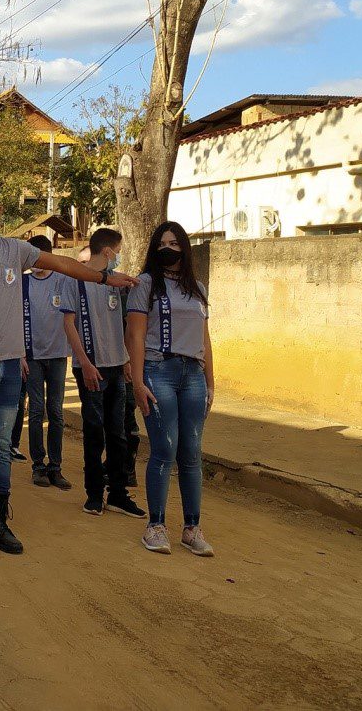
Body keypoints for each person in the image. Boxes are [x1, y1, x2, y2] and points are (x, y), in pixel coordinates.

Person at [0, 182, 137, 557]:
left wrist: (105, 278)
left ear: (0, 210)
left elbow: (64, 265)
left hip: (10, 366)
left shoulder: (16, 250)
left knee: (0, 447)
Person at [127, 221, 216, 557]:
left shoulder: (198, 289)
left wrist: (210, 381)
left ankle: (192, 529)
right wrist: (138, 383)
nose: (168, 248)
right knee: (165, 449)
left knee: (191, 453)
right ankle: (156, 526)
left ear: (185, 248)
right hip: (157, 371)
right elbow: (135, 335)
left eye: (175, 243)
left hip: (193, 374)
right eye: (162, 243)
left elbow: (205, 338)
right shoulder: (145, 284)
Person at [62, 228, 146, 521]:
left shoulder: (117, 282)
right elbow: (69, 324)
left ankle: (118, 494)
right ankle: (94, 495)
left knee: (118, 433)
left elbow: (124, 324)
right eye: (117, 251)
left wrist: (126, 360)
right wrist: (84, 363)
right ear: (108, 251)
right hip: (91, 368)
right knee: (94, 432)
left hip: (116, 366)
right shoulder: (75, 280)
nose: (118, 256)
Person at [21, 235, 73, 491]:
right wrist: (20, 354)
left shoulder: (63, 281)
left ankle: (56, 466)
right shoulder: (22, 283)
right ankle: (38, 465)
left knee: (56, 412)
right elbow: (13, 318)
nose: (35, 263)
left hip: (58, 355)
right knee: (36, 411)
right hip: (32, 356)